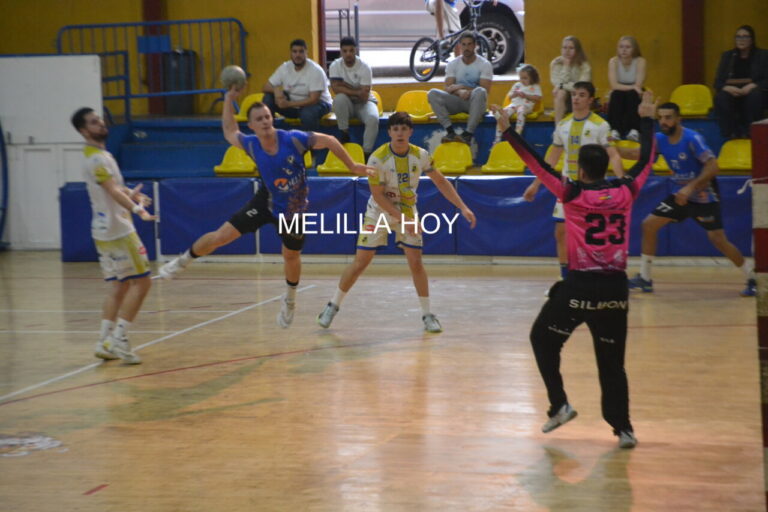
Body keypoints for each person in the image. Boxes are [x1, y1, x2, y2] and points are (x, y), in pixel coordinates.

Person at [493, 90, 659, 449]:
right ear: (605, 166)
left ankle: (560, 404)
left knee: (542, 339)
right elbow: (648, 159)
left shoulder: (571, 194)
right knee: (612, 363)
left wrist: (507, 131)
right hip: (615, 289)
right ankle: (624, 429)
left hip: (581, 286)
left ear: (581, 169)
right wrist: (646, 120)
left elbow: (537, 163)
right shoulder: (627, 192)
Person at [157, 87, 374, 328]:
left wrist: (353, 165)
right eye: (259, 119)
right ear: (251, 125)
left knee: (290, 256)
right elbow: (230, 131)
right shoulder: (251, 144)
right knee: (221, 236)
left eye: (267, 117)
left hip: (293, 210)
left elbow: (330, 140)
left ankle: (290, 299)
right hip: (266, 201)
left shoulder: (293, 139)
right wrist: (228, 100)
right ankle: (182, 261)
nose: (264, 121)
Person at [316, 112, 477, 333]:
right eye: (395, 129)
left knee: (416, 263)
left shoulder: (420, 155)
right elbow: (378, 196)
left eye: (404, 129)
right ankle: (331, 306)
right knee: (361, 262)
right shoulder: (377, 159)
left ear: (411, 132)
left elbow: (440, 181)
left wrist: (463, 207)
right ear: (389, 132)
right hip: (379, 212)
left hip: (408, 210)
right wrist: (404, 220)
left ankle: (428, 315)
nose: (399, 133)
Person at [616, 102, 757, 296]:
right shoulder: (660, 139)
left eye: (668, 117)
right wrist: (610, 148)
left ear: (678, 119)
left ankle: (752, 277)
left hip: (703, 197)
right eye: (660, 118)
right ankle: (645, 278)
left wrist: (691, 187)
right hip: (679, 196)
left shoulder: (692, 138)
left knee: (718, 239)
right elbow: (637, 154)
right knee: (648, 225)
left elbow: (713, 166)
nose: (663, 122)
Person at [72, 107, 157, 365]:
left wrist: (132, 194)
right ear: (84, 131)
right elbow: (111, 190)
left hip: (102, 230)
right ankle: (119, 339)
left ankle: (103, 341)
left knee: (119, 285)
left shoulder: (101, 155)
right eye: (94, 122)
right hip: (117, 229)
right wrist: (137, 209)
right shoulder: (96, 159)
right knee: (143, 283)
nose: (101, 124)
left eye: (100, 119)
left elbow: (114, 188)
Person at [522, 81, 624, 279]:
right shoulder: (563, 125)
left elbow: (613, 155)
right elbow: (552, 158)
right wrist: (535, 184)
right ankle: (566, 279)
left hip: (593, 189)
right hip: (568, 188)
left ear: (590, 100)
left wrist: (623, 183)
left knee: (592, 236)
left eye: (581, 95)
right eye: (574, 94)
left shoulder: (600, 125)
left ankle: (598, 275)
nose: (576, 98)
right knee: (561, 232)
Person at [427, 32, 493, 146]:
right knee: (432, 93)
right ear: (459, 46)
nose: (466, 48)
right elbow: (448, 87)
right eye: (464, 44)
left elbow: (485, 89)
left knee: (480, 92)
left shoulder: (484, 64)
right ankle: (450, 132)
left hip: (475, 102)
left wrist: (461, 86)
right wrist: (459, 91)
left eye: (469, 44)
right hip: (457, 100)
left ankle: (468, 134)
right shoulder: (453, 64)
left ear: (475, 45)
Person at [262, 38, 332, 132]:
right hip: (293, 105)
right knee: (268, 98)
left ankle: (310, 141)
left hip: (318, 104)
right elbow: (265, 87)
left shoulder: (315, 70)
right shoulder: (285, 67)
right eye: (294, 52)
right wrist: (276, 91)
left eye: (301, 51)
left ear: (306, 53)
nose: (297, 55)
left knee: (307, 113)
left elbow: (314, 99)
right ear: (291, 53)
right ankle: (269, 134)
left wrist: (287, 104)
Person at [328, 36, 379, 160]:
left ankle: (366, 153)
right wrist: (356, 91)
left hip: (364, 103)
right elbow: (336, 89)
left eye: (351, 50)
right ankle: (344, 133)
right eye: (345, 51)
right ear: (341, 52)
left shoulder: (364, 67)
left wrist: (344, 86)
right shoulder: (335, 65)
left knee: (373, 118)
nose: (348, 54)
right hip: (346, 104)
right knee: (339, 99)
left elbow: (364, 96)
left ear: (355, 50)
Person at [713, 25, 768, 139]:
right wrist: (727, 88)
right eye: (738, 37)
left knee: (755, 96)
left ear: (752, 40)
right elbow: (718, 82)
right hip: (733, 92)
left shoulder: (763, 55)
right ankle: (731, 133)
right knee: (721, 97)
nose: (741, 40)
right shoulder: (728, 56)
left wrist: (753, 85)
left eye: (745, 37)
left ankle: (751, 132)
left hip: (755, 92)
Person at [607, 36, 646, 142]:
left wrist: (634, 87)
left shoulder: (640, 61)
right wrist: (632, 87)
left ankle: (634, 130)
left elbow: (638, 85)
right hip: (620, 89)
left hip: (635, 91)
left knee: (632, 95)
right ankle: (615, 130)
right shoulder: (613, 61)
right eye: (621, 47)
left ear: (634, 49)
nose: (624, 50)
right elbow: (614, 85)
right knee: (616, 94)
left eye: (627, 47)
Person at [494, 64, 542, 142]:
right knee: (502, 114)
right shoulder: (517, 85)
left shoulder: (535, 86)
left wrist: (526, 96)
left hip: (526, 106)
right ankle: (497, 139)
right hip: (514, 105)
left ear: (532, 78)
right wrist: (515, 94)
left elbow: (538, 98)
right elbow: (510, 96)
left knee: (521, 111)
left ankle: (517, 135)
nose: (522, 80)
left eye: (525, 78)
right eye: (521, 78)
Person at [550, 36, 591, 124]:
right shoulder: (556, 63)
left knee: (575, 93)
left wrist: (561, 86)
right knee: (560, 93)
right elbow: (556, 82)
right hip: (563, 100)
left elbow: (580, 87)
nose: (567, 51)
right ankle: (558, 127)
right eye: (564, 48)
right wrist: (566, 66)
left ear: (577, 50)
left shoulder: (584, 65)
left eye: (571, 48)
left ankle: (577, 124)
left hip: (580, 97)